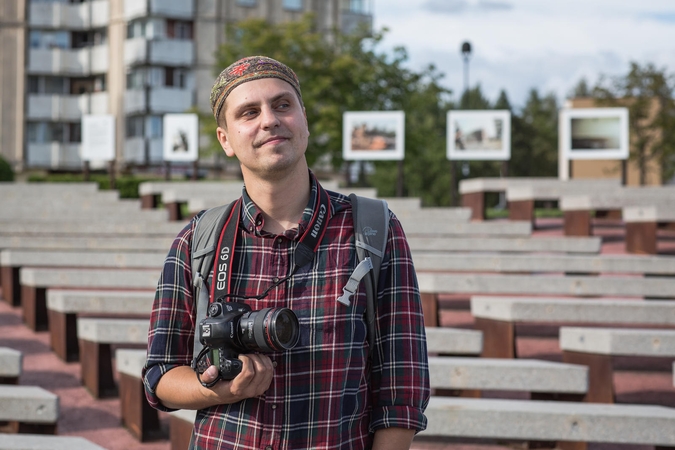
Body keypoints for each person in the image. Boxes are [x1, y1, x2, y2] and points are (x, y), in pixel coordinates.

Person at [142, 55, 430, 449]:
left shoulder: (374, 230)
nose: (269, 120)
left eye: (282, 105)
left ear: (304, 120)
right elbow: (159, 376)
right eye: (248, 112)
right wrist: (220, 390)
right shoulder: (197, 240)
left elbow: (401, 390)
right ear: (225, 139)